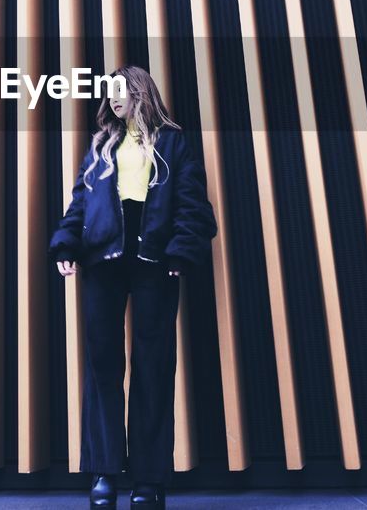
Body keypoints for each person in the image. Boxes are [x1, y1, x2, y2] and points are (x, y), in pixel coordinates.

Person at [48, 65, 218, 508]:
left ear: (140, 91)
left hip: (155, 264)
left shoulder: (173, 142)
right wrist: (66, 244)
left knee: (154, 367)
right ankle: (104, 473)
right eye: (109, 93)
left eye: (120, 90)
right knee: (103, 366)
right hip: (102, 263)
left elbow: (192, 203)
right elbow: (80, 203)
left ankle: (148, 479)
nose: (113, 98)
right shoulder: (102, 144)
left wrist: (181, 251)